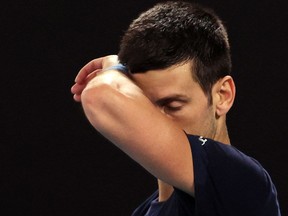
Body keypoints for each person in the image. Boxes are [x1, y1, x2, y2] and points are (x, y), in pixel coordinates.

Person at [71, 1, 281, 215]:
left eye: (172, 105)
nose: (153, 118)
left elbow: (101, 95)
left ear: (222, 96)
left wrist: (113, 65)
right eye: (142, 105)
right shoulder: (144, 211)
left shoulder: (240, 181)